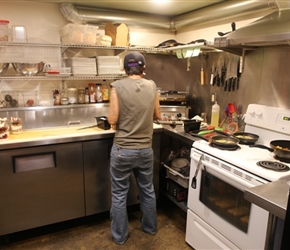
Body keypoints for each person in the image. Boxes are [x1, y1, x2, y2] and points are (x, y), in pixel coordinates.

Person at [108, 51, 161, 245]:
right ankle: (150, 227)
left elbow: (112, 119)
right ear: (144, 68)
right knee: (147, 190)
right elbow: (158, 115)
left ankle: (120, 236)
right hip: (145, 149)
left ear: (124, 69)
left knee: (119, 193)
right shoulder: (152, 86)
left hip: (123, 149)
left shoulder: (117, 86)